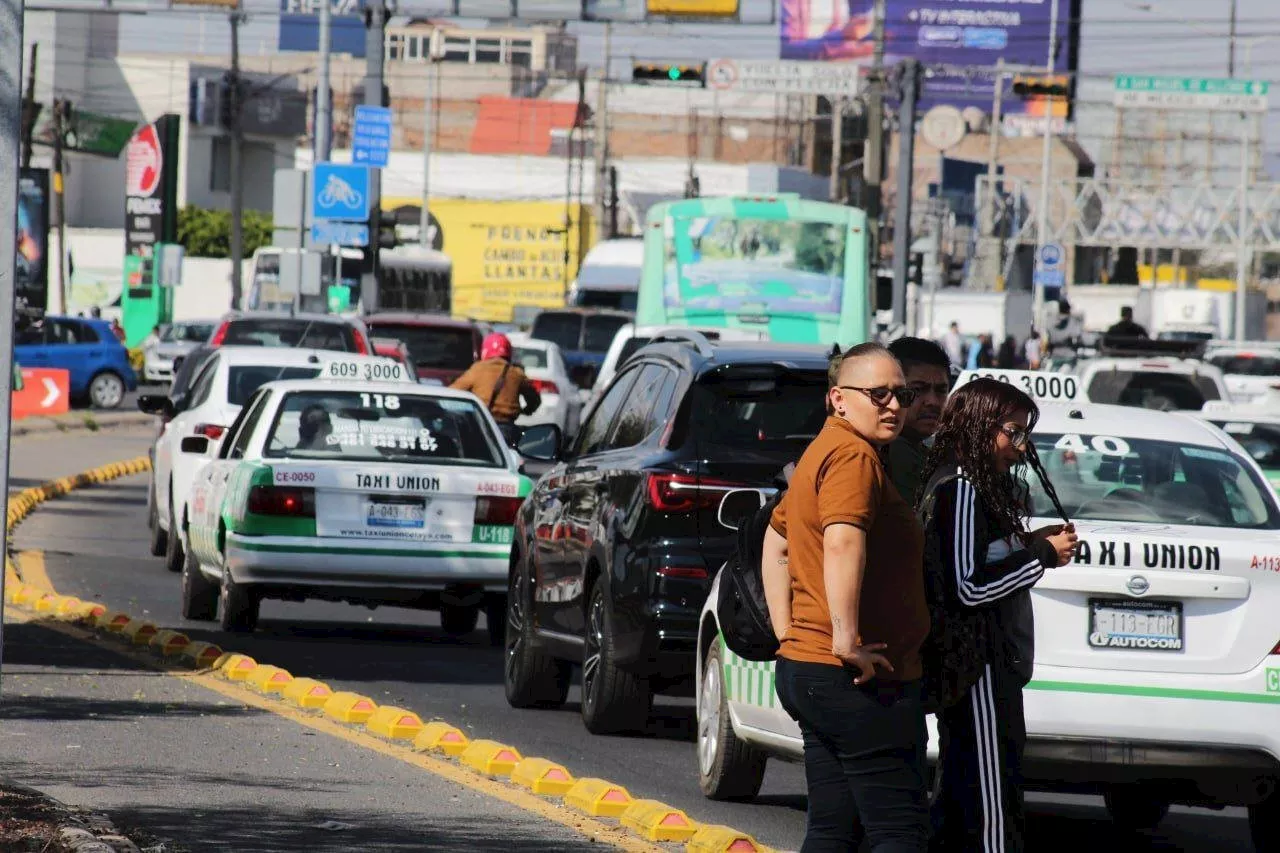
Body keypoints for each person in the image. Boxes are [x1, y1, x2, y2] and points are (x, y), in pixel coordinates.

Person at [763, 342, 932, 852]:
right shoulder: (853, 456)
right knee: (899, 832)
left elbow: (776, 542)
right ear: (839, 398)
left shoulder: (824, 448)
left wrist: (787, 633)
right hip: (855, 679)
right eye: (877, 394)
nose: (894, 406)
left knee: (834, 829)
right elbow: (841, 539)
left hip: (812, 669)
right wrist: (844, 640)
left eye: (901, 394)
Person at [918, 379, 1078, 853]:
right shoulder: (964, 488)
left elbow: (978, 563)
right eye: (1013, 431)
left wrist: (1031, 544)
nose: (1021, 446)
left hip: (986, 665)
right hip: (978, 668)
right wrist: (1042, 556)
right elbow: (966, 588)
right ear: (980, 426)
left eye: (1025, 433)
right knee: (991, 802)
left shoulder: (974, 486)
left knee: (966, 791)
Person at [886, 337, 951, 503]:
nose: (933, 402)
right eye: (918, 389)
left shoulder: (919, 449)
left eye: (941, 391)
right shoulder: (895, 451)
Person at [450, 333, 541, 430]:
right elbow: (535, 400)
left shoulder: (478, 369)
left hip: (482, 425)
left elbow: (453, 392)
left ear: (485, 351)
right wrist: (526, 411)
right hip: (508, 427)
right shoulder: (516, 373)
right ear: (509, 352)